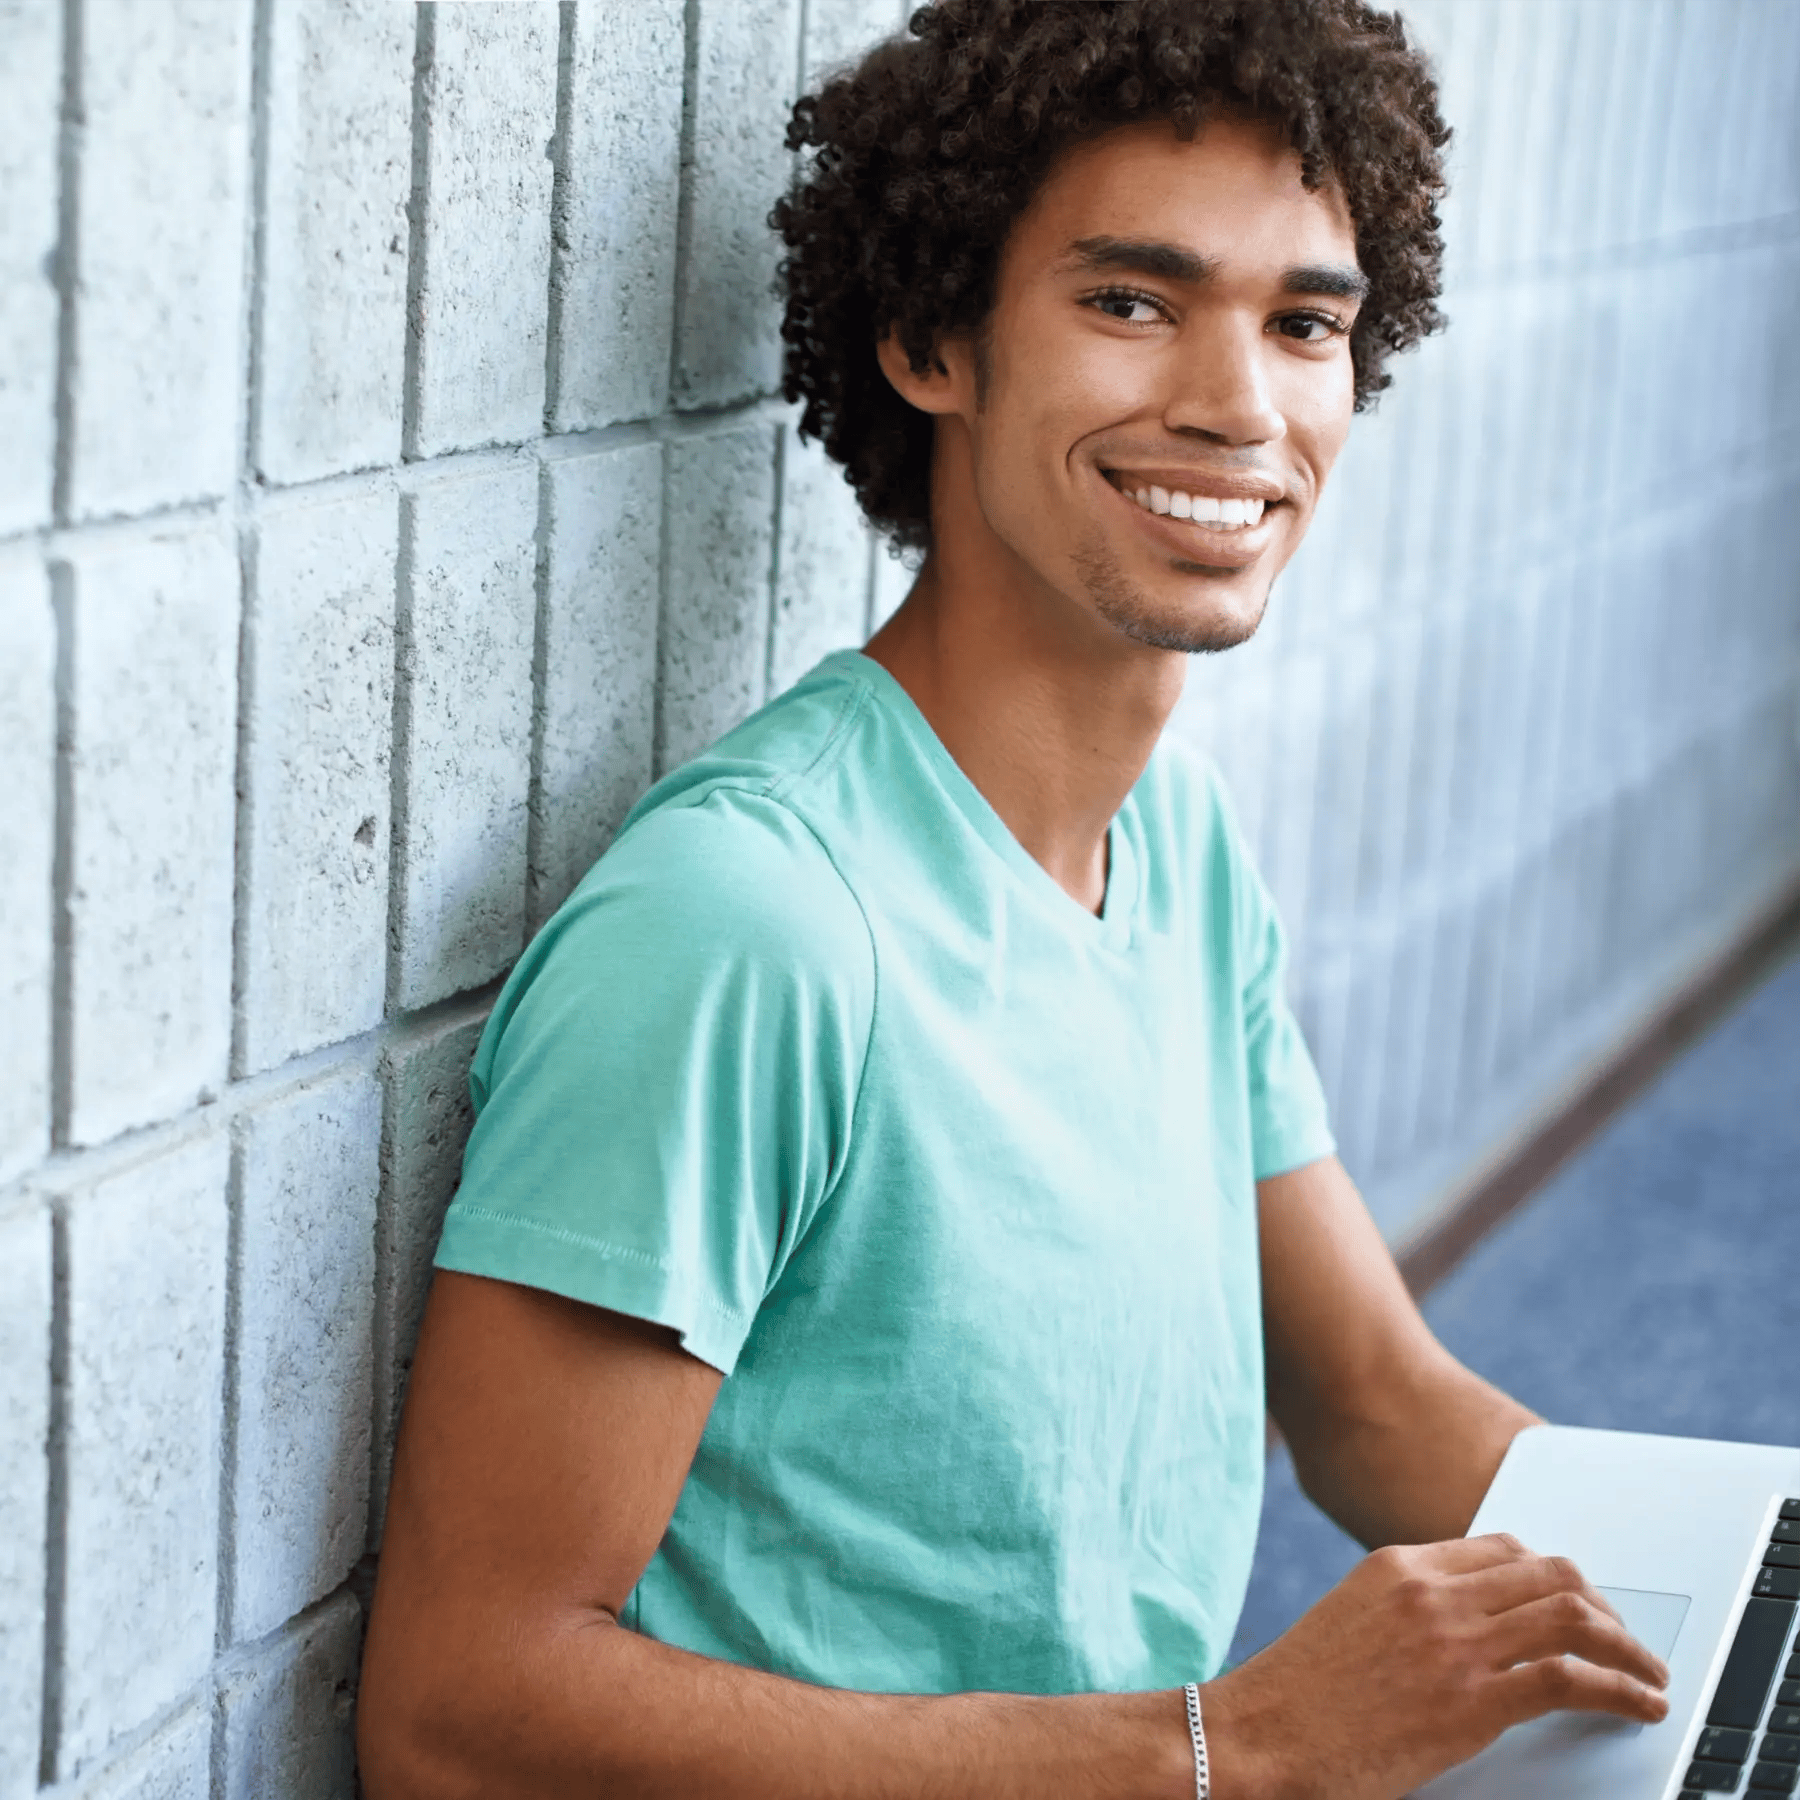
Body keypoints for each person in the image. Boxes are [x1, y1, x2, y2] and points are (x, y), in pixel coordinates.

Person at [357, 3, 1671, 1795]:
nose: (1237, 403)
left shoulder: (1181, 849)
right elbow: (459, 1716)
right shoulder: (750, 925)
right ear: (930, 342)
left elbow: (1375, 1401)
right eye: (1131, 302)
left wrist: (1722, 1596)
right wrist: (1234, 1748)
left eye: (1305, 324)